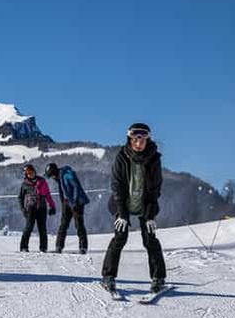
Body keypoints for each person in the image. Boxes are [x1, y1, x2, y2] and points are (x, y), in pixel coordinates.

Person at [102, 122, 167, 293]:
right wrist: (122, 213)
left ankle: (158, 278)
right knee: (119, 238)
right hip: (122, 203)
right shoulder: (121, 157)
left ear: (147, 140)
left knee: (150, 240)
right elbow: (117, 187)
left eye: (142, 140)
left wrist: (151, 215)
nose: (139, 144)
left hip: (145, 204)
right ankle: (108, 277)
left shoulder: (154, 159)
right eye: (135, 140)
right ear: (130, 140)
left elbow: (155, 190)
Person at [45, 162, 89, 254]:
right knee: (63, 225)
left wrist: (75, 201)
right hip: (67, 202)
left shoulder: (66, 174)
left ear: (54, 172)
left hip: (76, 202)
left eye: (51, 176)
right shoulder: (60, 177)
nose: (52, 178)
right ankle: (59, 247)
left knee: (79, 224)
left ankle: (83, 247)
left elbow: (76, 186)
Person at [18, 164, 56, 252]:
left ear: (34, 171)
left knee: (42, 228)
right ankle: (23, 247)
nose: (30, 174)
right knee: (28, 227)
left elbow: (48, 195)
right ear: (26, 175)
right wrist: (23, 209)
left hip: (42, 207)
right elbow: (20, 197)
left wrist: (52, 206)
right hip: (31, 208)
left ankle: (43, 247)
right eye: (28, 173)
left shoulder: (42, 181)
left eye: (31, 172)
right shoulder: (25, 184)